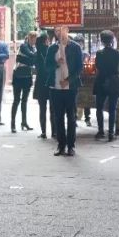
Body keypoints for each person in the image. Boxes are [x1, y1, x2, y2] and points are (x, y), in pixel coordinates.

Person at [46, 26, 82, 156]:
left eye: (61, 30)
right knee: (58, 117)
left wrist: (68, 80)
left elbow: (79, 68)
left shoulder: (75, 47)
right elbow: (47, 67)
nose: (59, 33)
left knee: (71, 117)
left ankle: (71, 146)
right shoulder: (52, 48)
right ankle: (61, 145)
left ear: (67, 30)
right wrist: (56, 63)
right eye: (56, 31)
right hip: (55, 87)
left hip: (70, 87)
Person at [92, 30, 119, 142]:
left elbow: (98, 67)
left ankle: (100, 131)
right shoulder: (118, 54)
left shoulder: (99, 54)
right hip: (114, 82)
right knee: (112, 108)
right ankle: (111, 133)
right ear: (112, 39)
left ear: (102, 40)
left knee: (99, 108)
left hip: (101, 82)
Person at [33, 32, 51, 139]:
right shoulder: (51, 50)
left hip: (40, 82)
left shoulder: (36, 53)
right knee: (53, 108)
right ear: (46, 41)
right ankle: (54, 131)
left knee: (42, 109)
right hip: (50, 82)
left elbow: (35, 67)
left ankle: (43, 132)